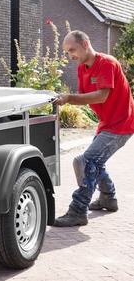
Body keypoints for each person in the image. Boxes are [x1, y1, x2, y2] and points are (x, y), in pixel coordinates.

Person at [54, 30, 134, 227]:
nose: (70, 55)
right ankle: (108, 198)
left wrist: (69, 98)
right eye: (66, 52)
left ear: (86, 43)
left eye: (72, 50)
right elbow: (84, 98)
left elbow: (101, 96)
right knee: (97, 162)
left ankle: (78, 211)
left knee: (86, 162)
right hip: (106, 124)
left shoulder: (107, 63)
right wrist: (61, 98)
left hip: (122, 124)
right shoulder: (82, 69)